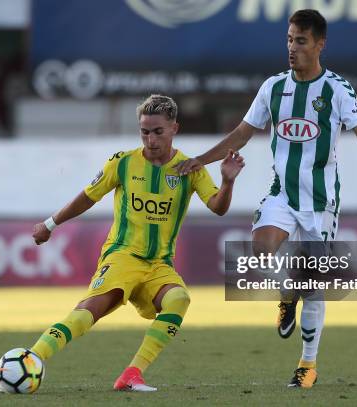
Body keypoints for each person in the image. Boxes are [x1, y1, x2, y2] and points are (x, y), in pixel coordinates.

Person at [175, 9, 357, 388]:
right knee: (260, 251)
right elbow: (241, 134)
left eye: (301, 41)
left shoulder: (337, 89)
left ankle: (307, 365)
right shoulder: (273, 87)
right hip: (282, 193)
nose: (292, 48)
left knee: (313, 286)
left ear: (320, 43)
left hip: (321, 203)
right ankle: (286, 294)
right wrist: (200, 160)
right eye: (289, 39)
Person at [29, 94, 244, 392]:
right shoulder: (123, 163)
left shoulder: (190, 169)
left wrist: (228, 182)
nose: (150, 139)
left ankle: (132, 374)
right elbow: (88, 197)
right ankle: (33, 357)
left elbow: (218, 207)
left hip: (158, 265)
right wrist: (50, 225)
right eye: (145, 131)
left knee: (179, 299)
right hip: (123, 257)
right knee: (91, 310)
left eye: (158, 131)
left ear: (174, 128)